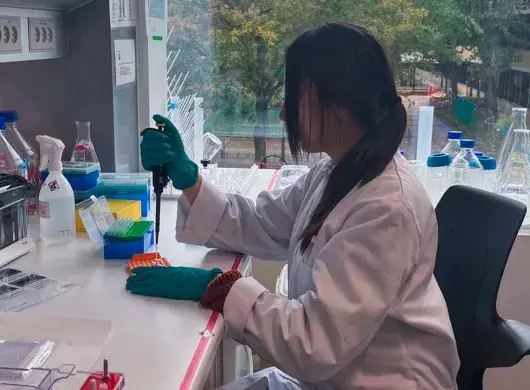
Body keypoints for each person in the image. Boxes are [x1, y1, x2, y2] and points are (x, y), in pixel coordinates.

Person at [129, 22, 460, 389]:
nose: (285, 115)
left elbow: (316, 343)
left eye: (293, 99)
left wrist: (220, 288)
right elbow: (259, 224)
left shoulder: (386, 207)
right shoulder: (335, 172)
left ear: (338, 104)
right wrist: (189, 179)